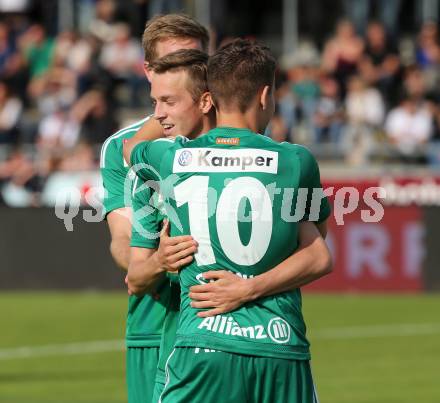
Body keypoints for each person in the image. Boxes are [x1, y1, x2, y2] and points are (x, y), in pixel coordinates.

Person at [127, 39, 331, 403]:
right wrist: (250, 287)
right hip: (279, 344)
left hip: (203, 342)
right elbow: (316, 253)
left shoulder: (172, 159)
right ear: (266, 95)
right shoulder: (296, 162)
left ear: (211, 97)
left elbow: (132, 150)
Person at [100, 13, 209, 403]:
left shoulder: (240, 140)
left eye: (198, 62)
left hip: (224, 321)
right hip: (153, 318)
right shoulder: (120, 148)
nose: (191, 71)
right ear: (149, 70)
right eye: (176, 61)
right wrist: (152, 260)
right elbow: (122, 239)